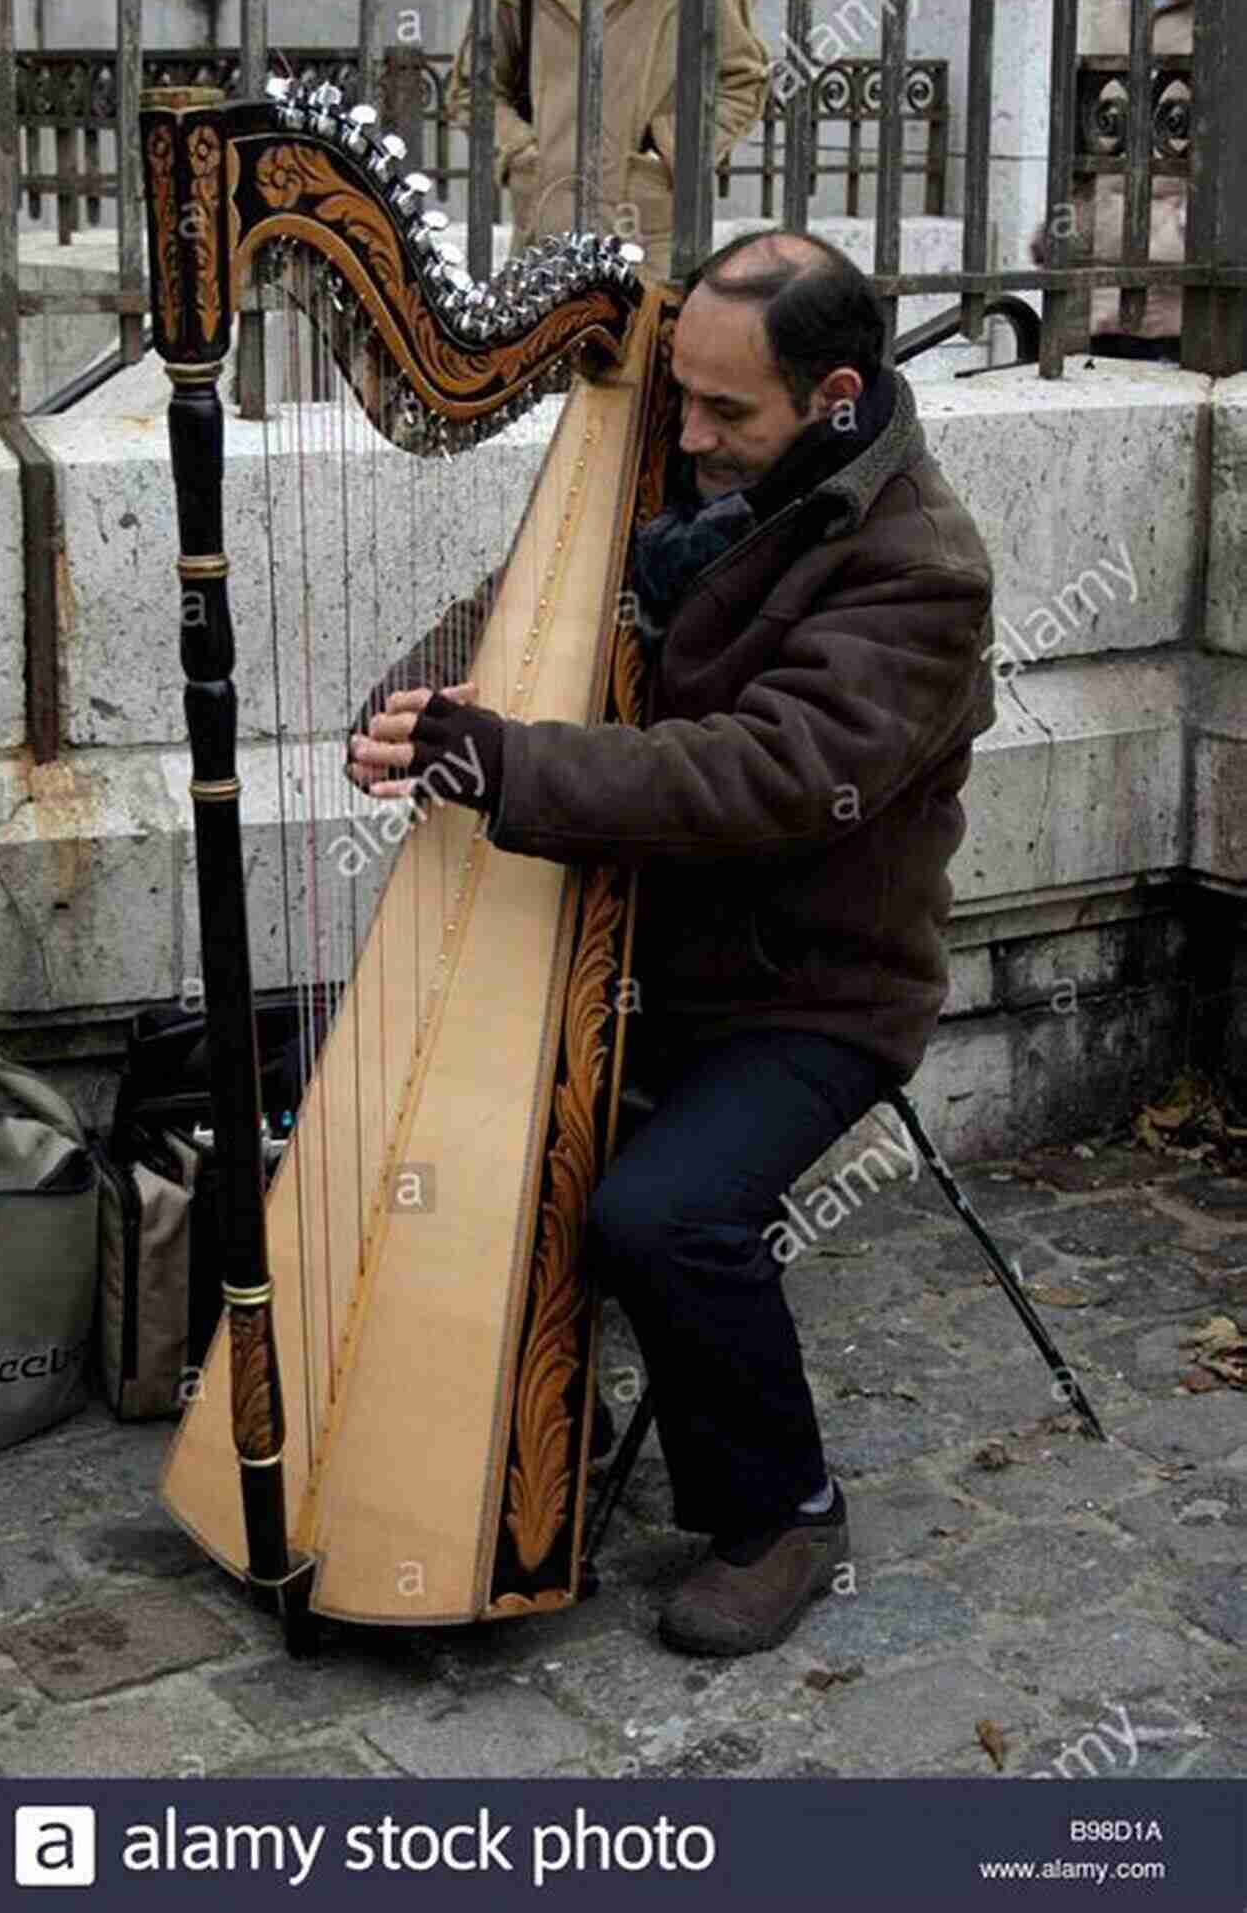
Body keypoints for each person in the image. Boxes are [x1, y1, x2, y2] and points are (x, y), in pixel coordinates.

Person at [348, 229, 995, 1657]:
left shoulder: (917, 571)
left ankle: (786, 1511)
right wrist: (416, 705)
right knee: (400, 1093)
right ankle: (520, 1416)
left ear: (832, 394)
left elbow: (760, 776)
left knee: (659, 1211)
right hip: (637, 938)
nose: (684, 433)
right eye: (677, 397)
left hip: (808, 989)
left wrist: (511, 767)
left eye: (724, 414)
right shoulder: (687, 475)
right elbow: (517, 603)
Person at [446, 0, 770, 281]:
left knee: (643, 349)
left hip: (649, 236)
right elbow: (473, 86)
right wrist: (523, 153)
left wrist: (669, 150)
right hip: (547, 231)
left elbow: (743, 79)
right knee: (547, 350)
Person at [1033, 0, 1199, 358]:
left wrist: (1156, 236)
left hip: (1192, 318)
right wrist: (1066, 227)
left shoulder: (1226, 1)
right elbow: (1097, 147)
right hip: (1099, 310)